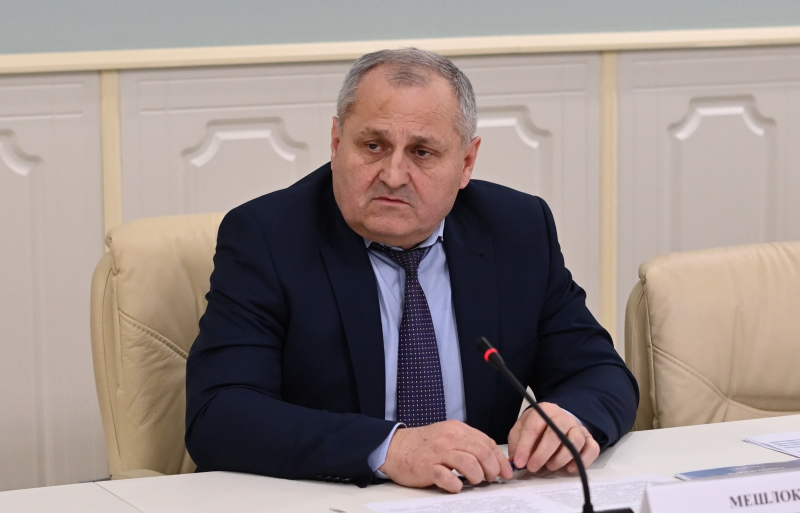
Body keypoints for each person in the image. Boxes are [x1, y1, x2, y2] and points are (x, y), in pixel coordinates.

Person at [185, 48, 638, 493]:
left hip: (478, 499)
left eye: (422, 152)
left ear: (466, 162)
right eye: (373, 146)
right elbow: (219, 414)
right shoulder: (267, 237)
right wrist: (390, 448)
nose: (394, 175)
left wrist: (569, 417)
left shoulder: (516, 229)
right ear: (336, 142)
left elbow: (598, 372)